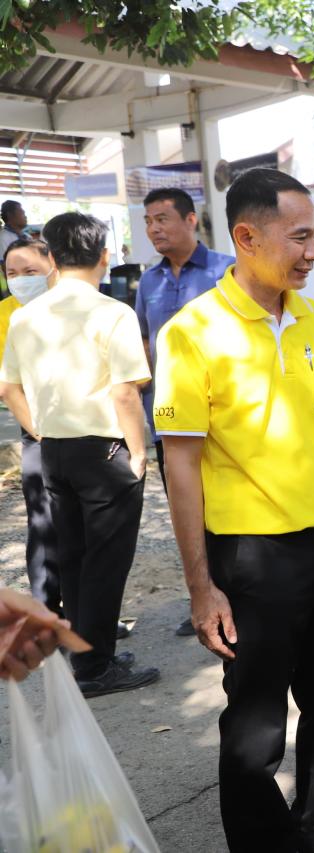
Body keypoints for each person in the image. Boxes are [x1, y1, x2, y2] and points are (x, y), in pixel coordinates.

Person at [153, 168, 314, 853]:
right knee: (254, 726)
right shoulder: (193, 333)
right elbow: (182, 464)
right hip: (255, 557)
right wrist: (201, 585)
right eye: (301, 237)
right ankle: (263, 841)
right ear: (247, 236)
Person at [0, 212, 158, 696]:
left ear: (51, 257)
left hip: (55, 452)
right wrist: (138, 453)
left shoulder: (25, 316)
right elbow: (126, 393)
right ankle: (97, 668)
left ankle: (85, 652)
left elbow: (9, 388)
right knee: (107, 561)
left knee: (73, 557)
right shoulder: (112, 312)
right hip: (104, 449)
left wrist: (42, 433)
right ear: (104, 257)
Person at [136, 188, 234, 492]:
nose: (153, 228)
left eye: (162, 219)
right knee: (182, 499)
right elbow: (144, 339)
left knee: (229, 501)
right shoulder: (149, 280)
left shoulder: (228, 269)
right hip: (169, 411)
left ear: (191, 219)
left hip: (224, 409)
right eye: (149, 221)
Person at [1, 239, 61, 614]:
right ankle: (45, 614)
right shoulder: (6, 314)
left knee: (82, 533)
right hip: (39, 433)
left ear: (51, 267)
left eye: (29, 272)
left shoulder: (68, 306)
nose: (20, 281)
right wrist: (39, 434)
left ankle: (85, 616)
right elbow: (9, 387)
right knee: (44, 527)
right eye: (11, 274)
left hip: (82, 431)